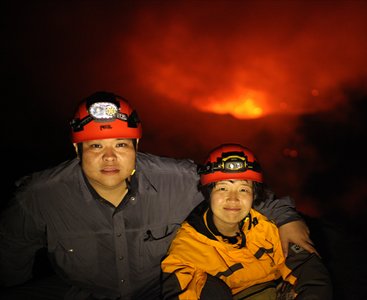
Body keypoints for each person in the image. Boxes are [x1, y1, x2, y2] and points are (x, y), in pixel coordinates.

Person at [0, 91, 316, 299]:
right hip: (83, 292)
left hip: (163, 292)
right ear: (76, 148)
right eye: (96, 146)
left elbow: (243, 191)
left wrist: (287, 220)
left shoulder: (177, 180)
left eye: (121, 145)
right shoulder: (39, 198)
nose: (109, 158)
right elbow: (11, 259)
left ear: (137, 145)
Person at [161, 143, 332, 299]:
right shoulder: (185, 250)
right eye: (223, 188)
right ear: (208, 192)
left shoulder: (271, 227)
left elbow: (309, 273)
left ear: (254, 195)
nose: (233, 199)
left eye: (243, 189)